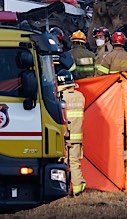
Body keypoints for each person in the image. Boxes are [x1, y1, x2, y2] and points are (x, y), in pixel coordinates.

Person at [57, 68, 86, 196]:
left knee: (62, 163)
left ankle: (62, 189)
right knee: (74, 163)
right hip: (76, 137)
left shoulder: (58, 97)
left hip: (62, 137)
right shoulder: (80, 96)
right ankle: (78, 189)